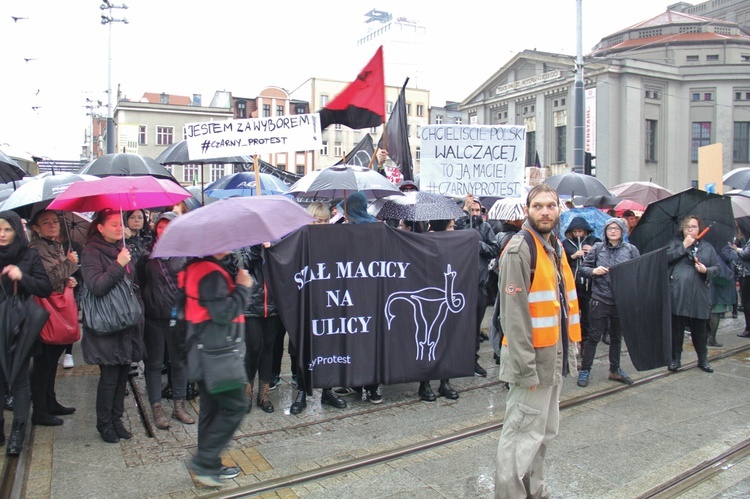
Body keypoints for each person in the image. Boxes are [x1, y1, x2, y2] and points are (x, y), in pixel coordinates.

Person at [495, 184, 581, 498]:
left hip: (552, 360)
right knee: (520, 438)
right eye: (538, 206)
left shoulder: (554, 245)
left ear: (559, 210)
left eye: (550, 206)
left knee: (541, 435)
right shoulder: (521, 249)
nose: (545, 212)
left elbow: (559, 306)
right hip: (531, 365)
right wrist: (526, 369)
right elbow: (513, 318)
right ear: (527, 211)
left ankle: (535, 490)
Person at [182, 251, 252, 487]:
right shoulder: (210, 273)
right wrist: (242, 287)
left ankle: (209, 466)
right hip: (217, 354)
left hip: (204, 350)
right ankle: (204, 461)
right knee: (236, 406)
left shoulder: (197, 266)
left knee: (211, 410)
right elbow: (222, 313)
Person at [81, 208, 145, 443]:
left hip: (126, 322)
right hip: (107, 324)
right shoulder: (91, 252)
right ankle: (104, 424)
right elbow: (97, 286)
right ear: (100, 227)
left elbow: (131, 283)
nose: (119, 227)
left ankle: (117, 419)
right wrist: (118, 264)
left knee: (121, 377)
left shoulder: (122, 248)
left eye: (121, 223)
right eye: (113, 224)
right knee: (109, 378)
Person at [0, 211, 52, 455]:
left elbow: (44, 287)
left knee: (19, 379)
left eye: (7, 229)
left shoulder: (28, 254)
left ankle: (18, 431)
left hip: (18, 325)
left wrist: (22, 277)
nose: (2, 234)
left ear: (17, 231)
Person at [287, 203, 347, 414]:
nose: (320, 224)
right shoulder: (299, 240)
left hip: (329, 300)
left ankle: (328, 390)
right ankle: (302, 391)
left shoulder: (335, 240)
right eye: (316, 221)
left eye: (324, 221)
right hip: (305, 300)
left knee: (328, 343)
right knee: (303, 346)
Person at [136, 212, 194, 430]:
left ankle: (179, 406)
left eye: (168, 227)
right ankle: (157, 408)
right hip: (153, 317)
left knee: (178, 362)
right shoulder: (147, 254)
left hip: (177, 316)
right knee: (153, 364)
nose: (163, 231)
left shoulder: (186, 253)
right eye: (160, 227)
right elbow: (140, 282)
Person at [28, 210, 78, 427]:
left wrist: (69, 279)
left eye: (55, 221)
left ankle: (50, 401)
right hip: (44, 312)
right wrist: (69, 264)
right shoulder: (37, 248)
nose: (52, 225)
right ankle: (39, 410)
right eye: (45, 223)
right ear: (36, 228)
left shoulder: (52, 245)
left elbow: (58, 276)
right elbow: (47, 279)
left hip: (53, 309)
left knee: (50, 363)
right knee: (42, 364)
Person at [576, 217, 640, 387]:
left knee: (616, 337)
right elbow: (582, 270)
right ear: (605, 231)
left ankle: (615, 369)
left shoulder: (631, 250)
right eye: (609, 228)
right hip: (600, 298)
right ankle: (586, 369)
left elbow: (637, 271)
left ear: (622, 231)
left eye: (616, 228)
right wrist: (594, 271)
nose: (613, 231)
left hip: (621, 299)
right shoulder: (598, 248)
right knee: (594, 336)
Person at [666, 215, 719, 373]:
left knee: (699, 330)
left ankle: (702, 359)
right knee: (677, 329)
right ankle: (675, 359)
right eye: (687, 226)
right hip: (678, 293)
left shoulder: (707, 247)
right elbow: (665, 258)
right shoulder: (675, 243)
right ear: (682, 229)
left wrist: (706, 270)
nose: (690, 229)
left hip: (699, 294)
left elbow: (716, 268)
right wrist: (683, 246)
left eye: (694, 226)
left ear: (699, 229)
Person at [415, 219, 459, 402]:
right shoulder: (426, 243)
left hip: (447, 296)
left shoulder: (456, 245)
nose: (454, 229)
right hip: (429, 296)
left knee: (445, 336)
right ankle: (424, 383)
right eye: (450, 227)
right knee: (426, 335)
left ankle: (444, 381)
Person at [458, 194, 498, 376]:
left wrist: (479, 244)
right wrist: (464, 212)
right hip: (460, 285)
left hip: (480, 284)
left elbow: (494, 249)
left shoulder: (486, 227)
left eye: (477, 210)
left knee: (475, 325)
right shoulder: (460, 224)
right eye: (472, 210)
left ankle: (472, 360)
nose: (475, 213)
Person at [562, 217, 600, 353]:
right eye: (575, 231)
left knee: (587, 314)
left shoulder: (593, 241)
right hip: (572, 283)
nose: (578, 234)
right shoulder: (565, 244)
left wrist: (593, 250)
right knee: (572, 313)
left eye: (581, 231)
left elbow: (603, 255)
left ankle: (585, 343)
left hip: (589, 284)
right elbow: (559, 260)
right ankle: (573, 341)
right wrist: (572, 256)